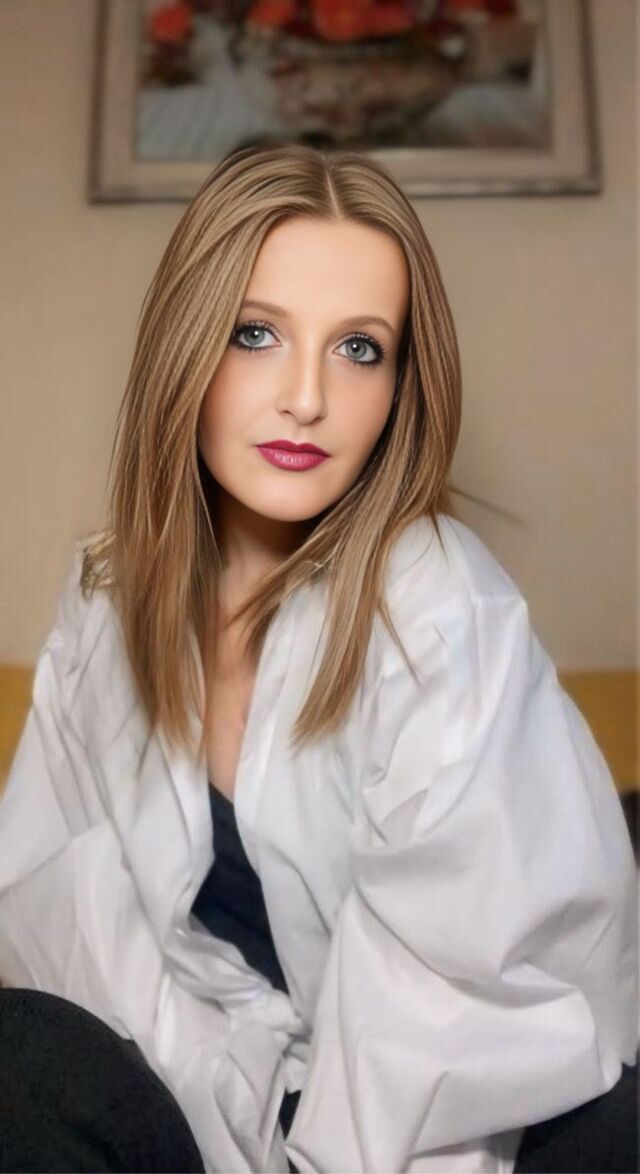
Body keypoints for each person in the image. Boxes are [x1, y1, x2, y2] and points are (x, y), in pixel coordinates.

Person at [0, 142, 636, 1174]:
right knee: (20, 1051)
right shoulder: (108, 597)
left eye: (359, 349)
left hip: (433, 1118)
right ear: (185, 344)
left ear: (402, 384)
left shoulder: (439, 610)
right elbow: (56, 924)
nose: (307, 397)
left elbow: (461, 1017)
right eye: (256, 333)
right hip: (209, 1084)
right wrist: (225, 1123)